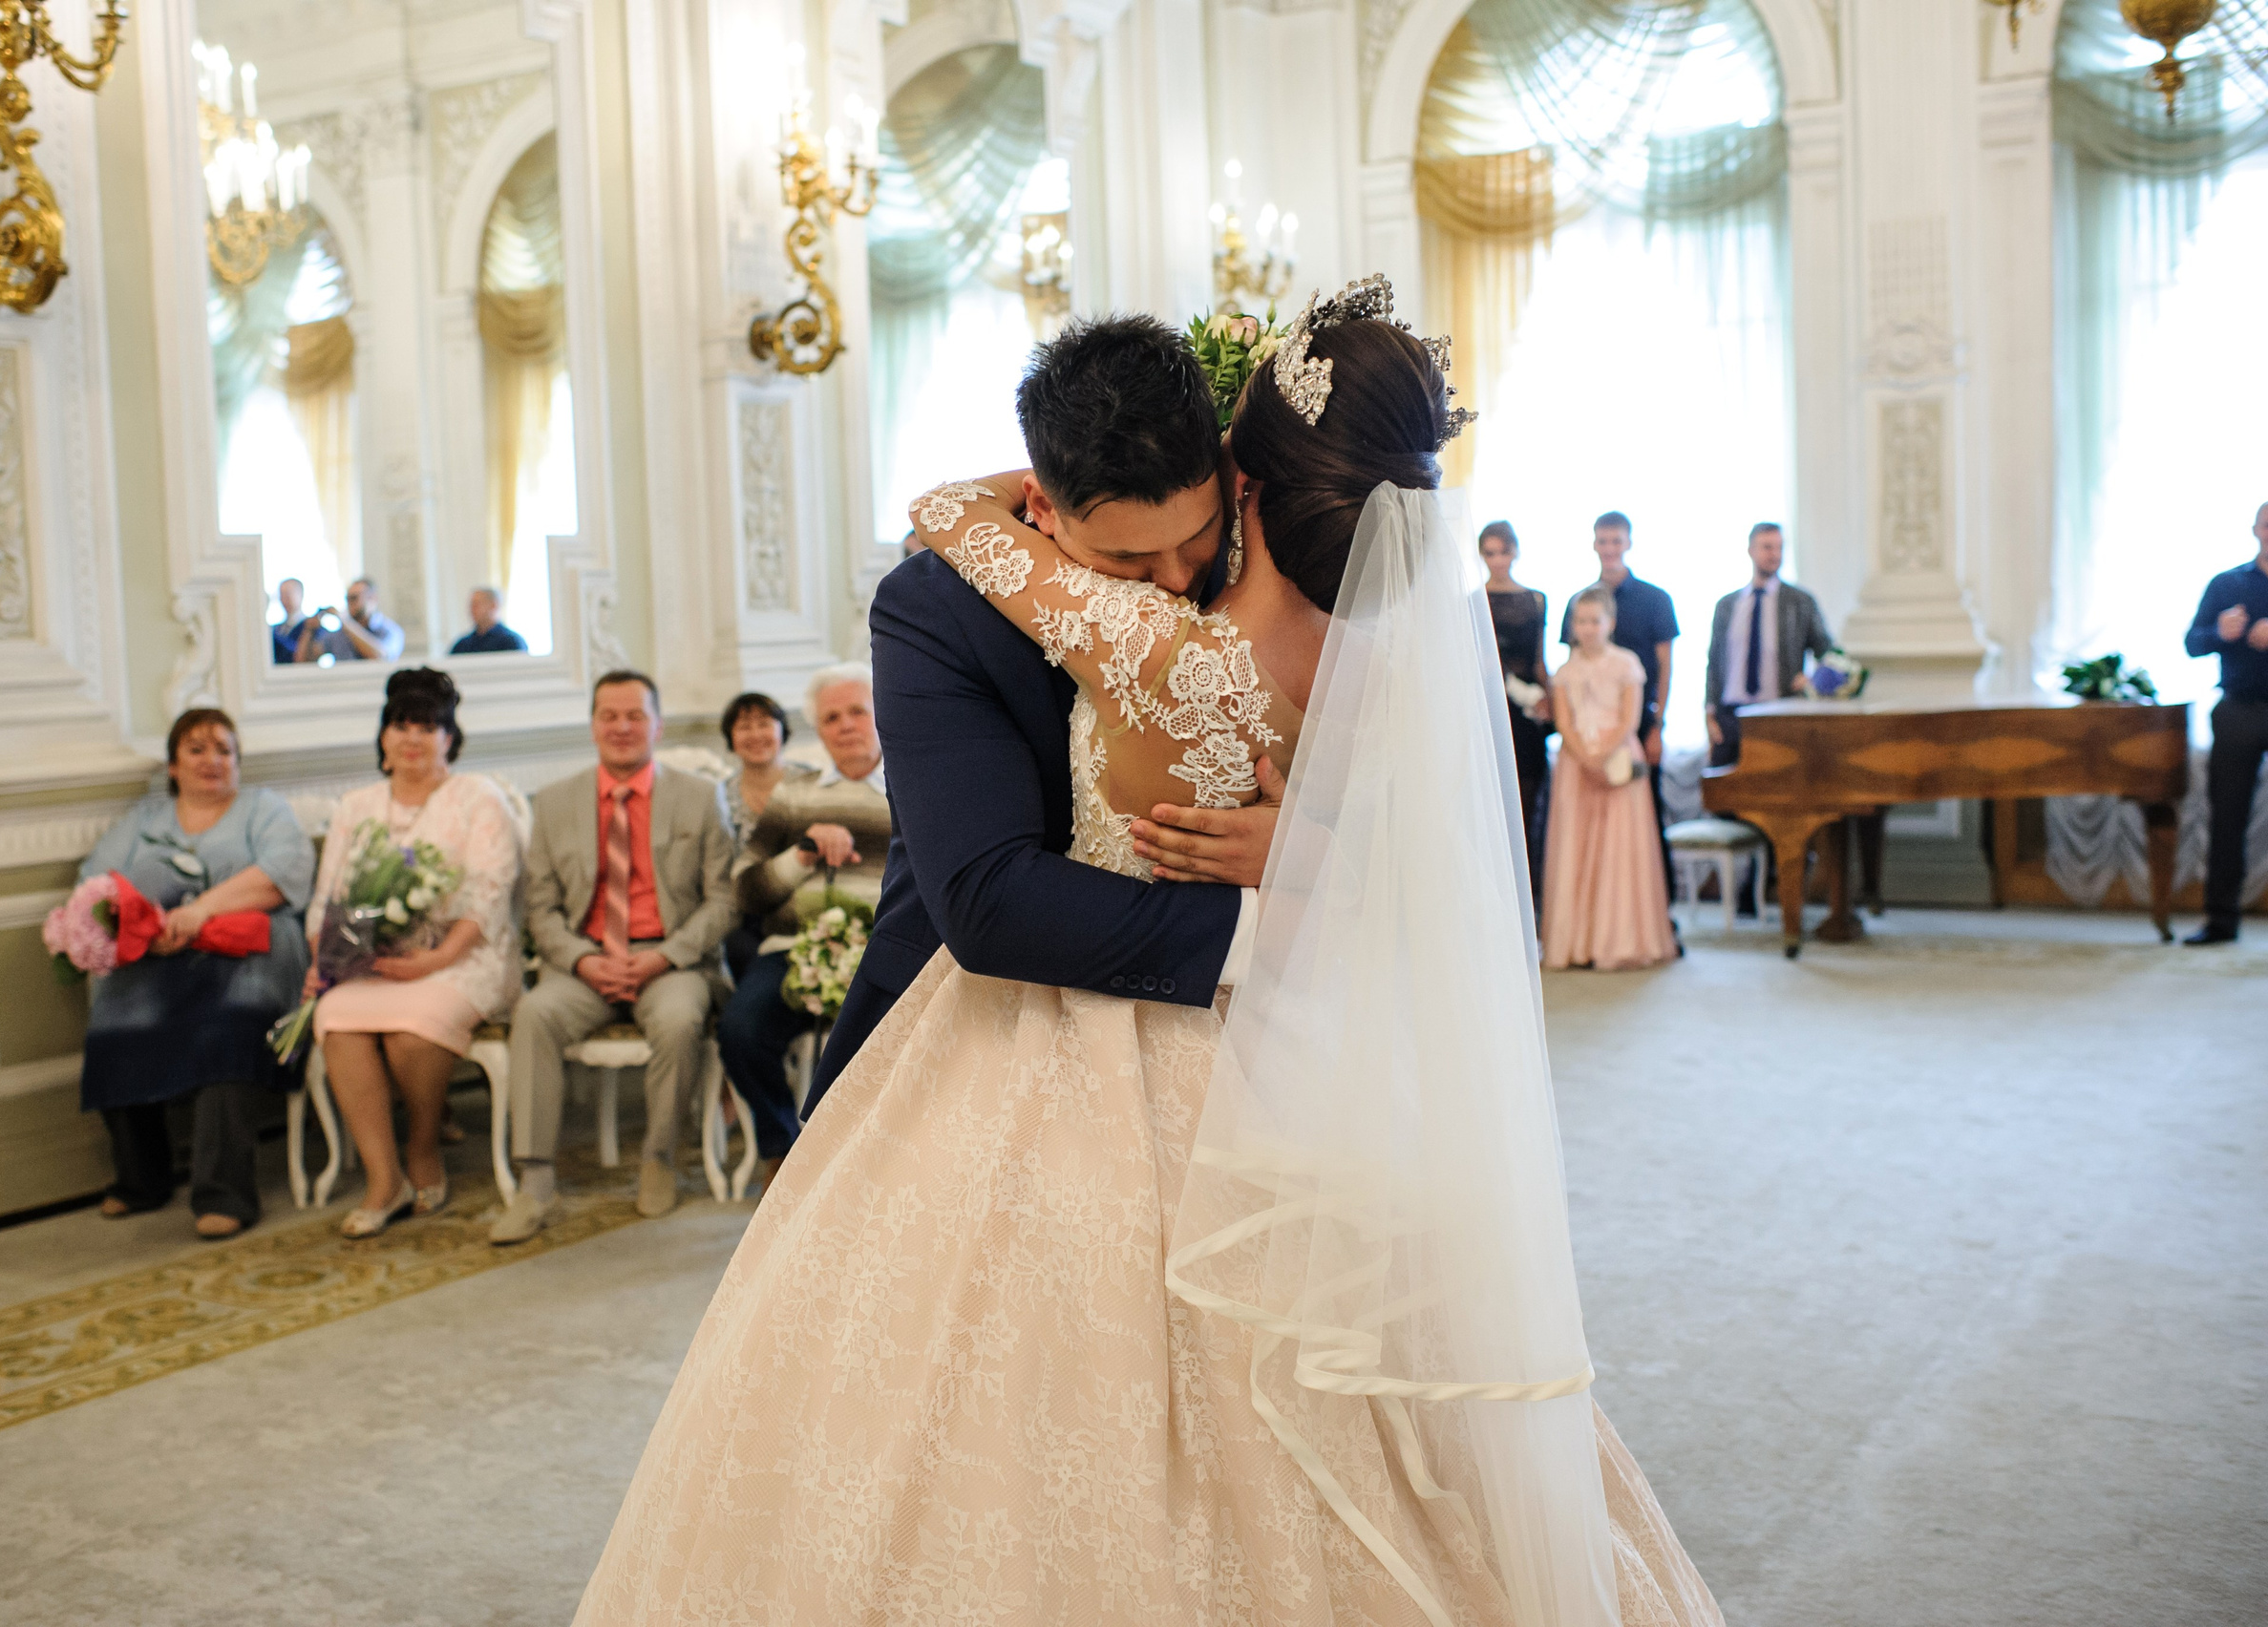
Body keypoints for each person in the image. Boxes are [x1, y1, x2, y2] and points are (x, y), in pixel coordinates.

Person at [575, 289, 1722, 1626]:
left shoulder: (1264, 587)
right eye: (1131, 563)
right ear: (1050, 515)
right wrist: (1281, 915)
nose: (1172, 584)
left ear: (1235, 471)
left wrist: (1314, 866)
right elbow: (989, 901)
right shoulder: (948, 606)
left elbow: (1405, 821)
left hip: (1261, 1049)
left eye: (1195, 540)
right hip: (1013, 1010)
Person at [490, 671, 735, 1240]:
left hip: (670, 961)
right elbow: (541, 910)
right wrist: (582, 960)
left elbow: (723, 900)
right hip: (586, 961)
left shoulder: (700, 798)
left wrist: (665, 956)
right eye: (609, 715)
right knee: (535, 1014)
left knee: (678, 1020)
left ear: (657, 724)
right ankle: (536, 1182)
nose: (622, 727)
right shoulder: (552, 804)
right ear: (593, 723)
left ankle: (658, 1160)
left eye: (634, 715)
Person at [76, 709, 314, 1236]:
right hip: (161, 954)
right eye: (197, 749)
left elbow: (281, 875)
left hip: (252, 949)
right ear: (172, 766)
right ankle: (142, 1179)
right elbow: (97, 881)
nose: (213, 761)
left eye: (225, 750)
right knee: (117, 1018)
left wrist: (199, 912)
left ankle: (225, 1192)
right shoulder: (145, 819)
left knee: (227, 1026)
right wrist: (143, 925)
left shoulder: (263, 809)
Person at [306, 669, 522, 1237]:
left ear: (450, 738)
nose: (412, 738)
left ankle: (422, 1145)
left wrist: (432, 961)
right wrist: (323, 964)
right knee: (336, 1018)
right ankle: (386, 1179)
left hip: (463, 957)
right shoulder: (357, 806)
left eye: (427, 727)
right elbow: (327, 900)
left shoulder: (479, 797)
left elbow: (487, 894)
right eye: (400, 725)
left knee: (414, 1028)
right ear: (382, 738)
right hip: (370, 963)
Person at [713, 666, 889, 1185]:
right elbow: (745, 889)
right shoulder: (794, 794)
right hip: (794, 947)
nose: (847, 725)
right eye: (832, 717)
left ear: (881, 714)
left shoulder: (913, 786)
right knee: (741, 1031)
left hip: (883, 952)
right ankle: (782, 1152)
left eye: (858, 711)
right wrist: (804, 852)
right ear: (818, 731)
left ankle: (871, 1162)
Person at [1543, 586, 1679, 971]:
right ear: (1573, 626)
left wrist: (1603, 754)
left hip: (1618, 755)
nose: (1588, 628)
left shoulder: (1627, 664)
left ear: (1610, 623)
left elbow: (1630, 718)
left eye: (1595, 621)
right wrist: (1584, 757)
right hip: (1576, 763)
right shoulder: (1565, 671)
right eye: (1581, 621)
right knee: (1577, 846)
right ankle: (1578, 941)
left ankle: (1618, 938)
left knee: (1619, 847)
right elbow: (1563, 720)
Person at [1562, 513, 1681, 911]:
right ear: (1594, 544)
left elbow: (1665, 667)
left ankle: (1656, 914)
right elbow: (1573, 670)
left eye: (1616, 541)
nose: (1609, 548)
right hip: (1588, 732)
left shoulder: (1655, 598)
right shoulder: (1579, 601)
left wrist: (1657, 728)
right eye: (1602, 541)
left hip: (1637, 724)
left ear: (1627, 543)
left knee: (1646, 820)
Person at [2182, 501, 2268, 945]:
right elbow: (2193, 643)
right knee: (2227, 817)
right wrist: (2222, 633)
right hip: (2240, 710)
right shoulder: (2227, 583)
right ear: (2256, 529)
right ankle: (2220, 921)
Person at [1704, 522, 1833, 768]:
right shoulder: (1727, 605)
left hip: (1778, 713)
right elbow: (1714, 662)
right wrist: (1709, 711)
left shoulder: (1800, 602)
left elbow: (1829, 654)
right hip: (1732, 715)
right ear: (1751, 550)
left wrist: (1814, 680)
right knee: (1723, 794)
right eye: (1767, 547)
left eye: (1779, 548)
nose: (1774, 554)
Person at [712, 690, 816, 977]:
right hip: (746, 911)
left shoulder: (811, 782)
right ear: (731, 739)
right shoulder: (719, 796)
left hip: (807, 900)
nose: (755, 734)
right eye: (744, 726)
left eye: (764, 723)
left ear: (782, 731)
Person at [1481, 518, 1554, 910]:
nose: (1497, 560)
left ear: (1515, 552)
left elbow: (1541, 660)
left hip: (1528, 717)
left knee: (1530, 806)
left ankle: (1531, 904)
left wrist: (1552, 702)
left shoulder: (1536, 599)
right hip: (1491, 711)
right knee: (1491, 806)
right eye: (1490, 553)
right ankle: (1497, 904)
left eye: (1503, 552)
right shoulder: (1472, 601)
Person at [294, 577, 404, 663]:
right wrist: (309, 630)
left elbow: (381, 657)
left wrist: (345, 622)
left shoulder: (390, 630)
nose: (350, 604)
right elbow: (304, 660)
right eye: (347, 599)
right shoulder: (339, 635)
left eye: (354, 598)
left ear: (372, 598)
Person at [448, 585, 528, 655]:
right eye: (471, 605)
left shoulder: (512, 642)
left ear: (493, 605)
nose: (472, 609)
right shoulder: (462, 645)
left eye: (477, 604)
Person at [269, 578, 308, 665]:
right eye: (281, 595)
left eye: (287, 595)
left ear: (301, 595)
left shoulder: (311, 627)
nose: (284, 600)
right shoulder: (275, 628)